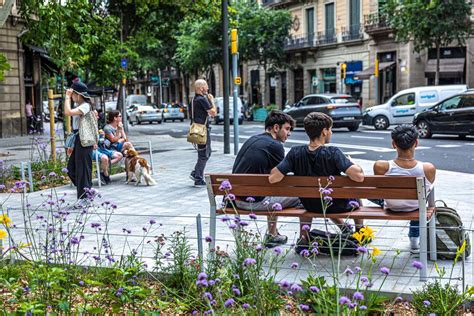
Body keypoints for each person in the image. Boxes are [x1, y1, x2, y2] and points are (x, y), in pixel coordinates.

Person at [269, 112, 365, 253]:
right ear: (324, 131)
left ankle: (304, 237)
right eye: (330, 129)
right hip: (336, 206)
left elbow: (273, 178)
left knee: (310, 198)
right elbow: (359, 177)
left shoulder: (295, 153)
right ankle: (359, 233)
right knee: (356, 195)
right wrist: (353, 163)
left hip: (309, 205)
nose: (331, 132)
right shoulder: (333, 153)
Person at [232, 110, 299, 247]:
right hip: (251, 202)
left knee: (273, 190)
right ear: (276, 128)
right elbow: (282, 176)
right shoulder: (275, 146)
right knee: (304, 195)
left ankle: (273, 234)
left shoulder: (253, 139)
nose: (289, 133)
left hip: (235, 199)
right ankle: (305, 238)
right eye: (287, 129)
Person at [373, 124, 436, 253]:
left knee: (371, 191)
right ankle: (414, 238)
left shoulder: (381, 166)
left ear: (393, 144)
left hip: (391, 205)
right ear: (416, 143)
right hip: (416, 206)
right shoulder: (428, 168)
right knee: (422, 199)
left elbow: (378, 187)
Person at [64, 81, 97, 200]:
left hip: (84, 141)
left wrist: (67, 97)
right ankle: (88, 191)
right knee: (71, 168)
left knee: (82, 169)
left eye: (73, 94)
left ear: (78, 94)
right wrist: (72, 145)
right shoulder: (81, 106)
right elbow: (76, 129)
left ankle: (85, 197)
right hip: (79, 140)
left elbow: (67, 112)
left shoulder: (85, 106)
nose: (71, 97)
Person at [189, 79, 216, 186]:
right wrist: (212, 100)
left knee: (206, 152)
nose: (208, 88)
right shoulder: (202, 99)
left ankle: (196, 172)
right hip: (202, 130)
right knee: (204, 154)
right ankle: (198, 178)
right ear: (201, 88)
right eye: (206, 86)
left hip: (195, 129)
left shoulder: (193, 100)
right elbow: (213, 113)